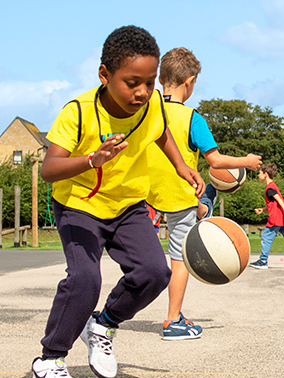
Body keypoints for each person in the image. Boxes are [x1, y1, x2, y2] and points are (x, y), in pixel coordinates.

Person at [31, 27, 205, 378]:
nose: (142, 92)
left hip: (127, 205)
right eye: (132, 82)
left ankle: (103, 325)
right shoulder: (78, 112)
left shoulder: (152, 103)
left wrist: (181, 164)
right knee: (85, 279)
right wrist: (92, 160)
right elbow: (49, 169)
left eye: (150, 81)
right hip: (80, 204)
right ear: (104, 74)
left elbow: (161, 132)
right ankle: (50, 358)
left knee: (155, 273)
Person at [146, 47, 262, 341]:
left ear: (160, 78)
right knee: (179, 258)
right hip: (179, 196)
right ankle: (173, 321)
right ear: (190, 80)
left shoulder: (146, 109)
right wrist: (247, 162)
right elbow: (216, 161)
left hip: (143, 194)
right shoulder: (192, 118)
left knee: (135, 257)